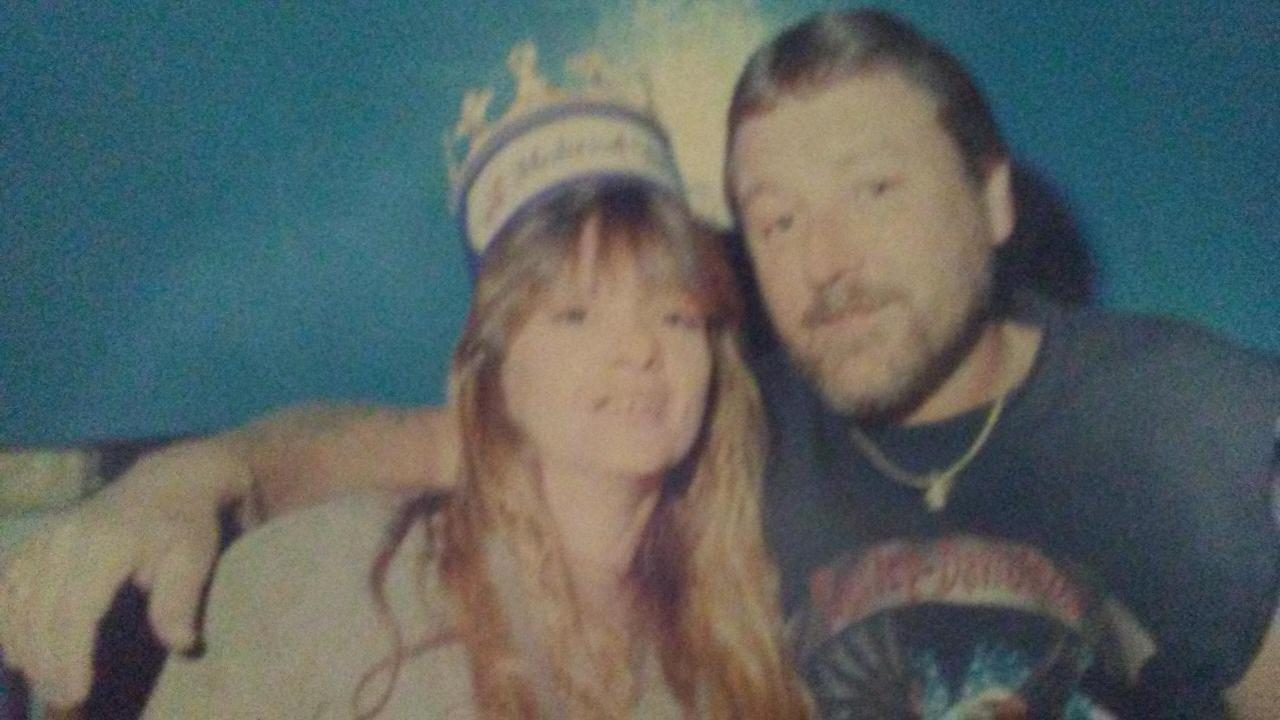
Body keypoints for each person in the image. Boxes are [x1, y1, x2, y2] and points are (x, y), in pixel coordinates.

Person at [3, 8, 1277, 719]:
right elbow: (402, 448)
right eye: (775, 220)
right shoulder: (730, 438)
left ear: (993, 199)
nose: (825, 262)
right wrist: (196, 477)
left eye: (875, 188)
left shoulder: (1185, 423)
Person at [140, 46, 809, 719]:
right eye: (575, 315)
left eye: (674, 316)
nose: (639, 349)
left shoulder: (736, 652)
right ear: (496, 371)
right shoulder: (323, 583)